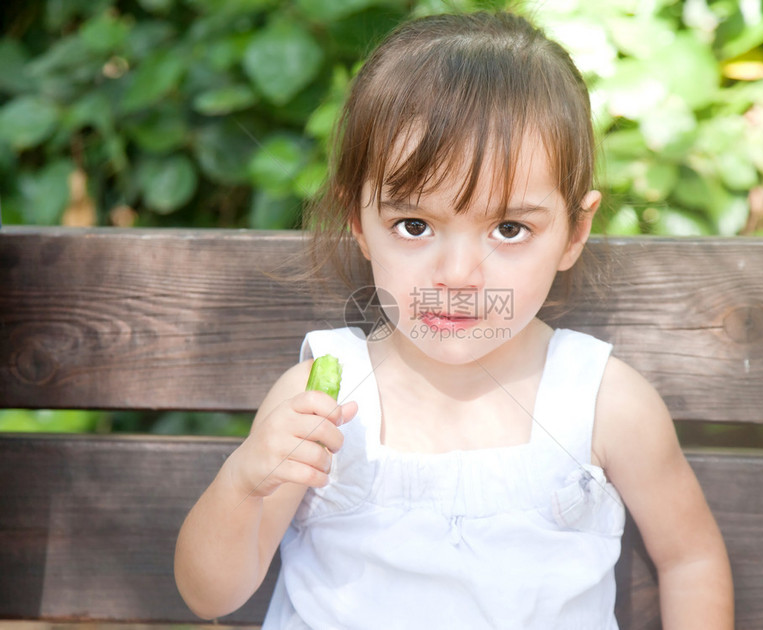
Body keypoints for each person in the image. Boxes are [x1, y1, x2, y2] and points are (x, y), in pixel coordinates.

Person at [174, 10, 733, 629]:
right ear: (359, 222)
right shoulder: (323, 399)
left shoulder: (604, 403)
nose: (460, 274)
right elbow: (211, 597)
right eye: (414, 226)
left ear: (575, 230)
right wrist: (245, 480)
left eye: (509, 229)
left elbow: (690, 559)